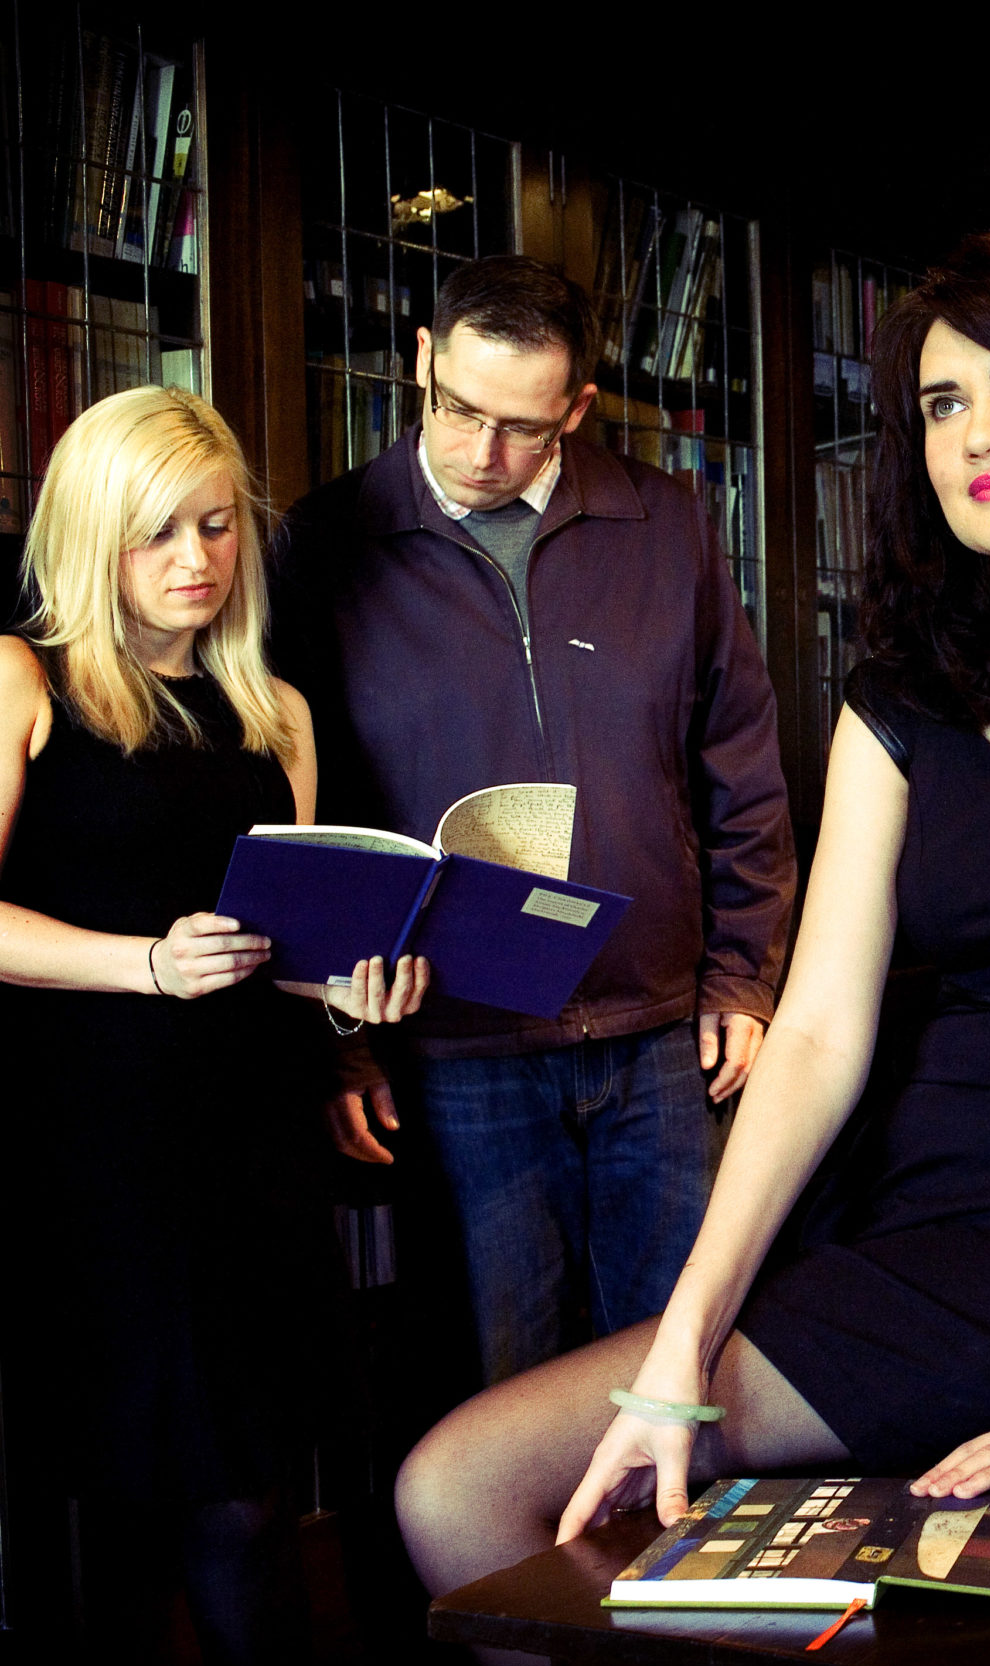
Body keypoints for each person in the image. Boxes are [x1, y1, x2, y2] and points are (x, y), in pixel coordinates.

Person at [392, 232, 990, 1666]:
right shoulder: (898, 696)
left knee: (462, 1485)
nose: (980, 433)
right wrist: (685, 1336)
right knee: (469, 1491)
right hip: (882, 1214)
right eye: (944, 405)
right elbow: (816, 1032)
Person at [272, 255, 798, 1386]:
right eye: (457, 409)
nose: (481, 453)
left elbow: (742, 768)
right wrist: (344, 1041)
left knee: (676, 1374)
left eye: (521, 427)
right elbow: (305, 822)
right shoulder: (326, 546)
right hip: (454, 1048)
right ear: (421, 359)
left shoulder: (666, 524)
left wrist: (743, 976)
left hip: (663, 1035)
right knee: (497, 1390)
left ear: (576, 408)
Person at [0, 387, 425, 1666]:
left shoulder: (275, 712)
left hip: (254, 1152)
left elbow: (280, 961)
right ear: (88, 537)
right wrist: (143, 963)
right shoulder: (25, 680)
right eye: (154, 534)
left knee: (235, 1487)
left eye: (216, 524)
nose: (195, 559)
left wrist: (359, 999)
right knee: (147, 1506)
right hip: (96, 1159)